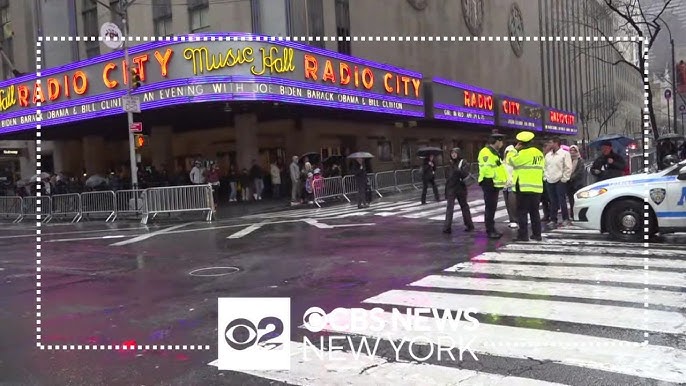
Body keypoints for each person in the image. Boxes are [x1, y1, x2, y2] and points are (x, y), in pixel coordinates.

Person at [509, 131, 545, 242]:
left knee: (522, 212)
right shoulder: (539, 153)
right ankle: (537, 234)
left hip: (524, 188)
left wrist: (513, 150)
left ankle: (523, 235)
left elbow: (511, 161)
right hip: (537, 187)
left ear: (521, 143)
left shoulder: (522, 153)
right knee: (535, 212)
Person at [478, 133, 507, 239]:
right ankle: (490, 230)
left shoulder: (494, 152)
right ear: (497, 141)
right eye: (501, 141)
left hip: (494, 183)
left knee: (492, 208)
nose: (502, 144)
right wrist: (491, 181)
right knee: (490, 208)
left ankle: (492, 228)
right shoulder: (486, 152)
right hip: (489, 183)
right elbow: (486, 169)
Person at [443, 148, 474, 233]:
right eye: (452, 153)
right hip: (451, 188)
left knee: (464, 206)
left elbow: (465, 174)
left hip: (461, 188)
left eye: (455, 153)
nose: (453, 154)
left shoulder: (463, 162)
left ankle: (469, 225)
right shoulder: (449, 163)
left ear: (458, 154)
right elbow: (448, 177)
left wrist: (456, 169)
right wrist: (446, 190)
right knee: (450, 207)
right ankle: (447, 227)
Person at [543, 137, 572, 227]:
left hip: (560, 180)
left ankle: (565, 218)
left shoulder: (564, 154)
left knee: (562, 200)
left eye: (550, 142)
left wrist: (564, 179)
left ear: (556, 143)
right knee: (552, 201)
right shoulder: (548, 155)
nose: (549, 144)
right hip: (550, 180)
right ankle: (553, 219)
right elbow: (545, 167)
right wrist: (545, 177)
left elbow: (568, 167)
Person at [503, 145, 519, 228]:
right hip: (505, 186)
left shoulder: (515, 162)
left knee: (513, 204)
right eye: (507, 152)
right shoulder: (503, 162)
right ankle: (511, 220)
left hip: (513, 185)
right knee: (508, 204)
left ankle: (515, 220)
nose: (508, 153)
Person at [567, 145, 585, 216]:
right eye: (571, 150)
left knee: (578, 200)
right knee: (571, 200)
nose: (572, 152)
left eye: (574, 150)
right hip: (569, 183)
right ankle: (572, 214)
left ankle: (579, 214)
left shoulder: (580, 160)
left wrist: (571, 177)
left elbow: (580, 172)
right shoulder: (568, 160)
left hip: (578, 184)